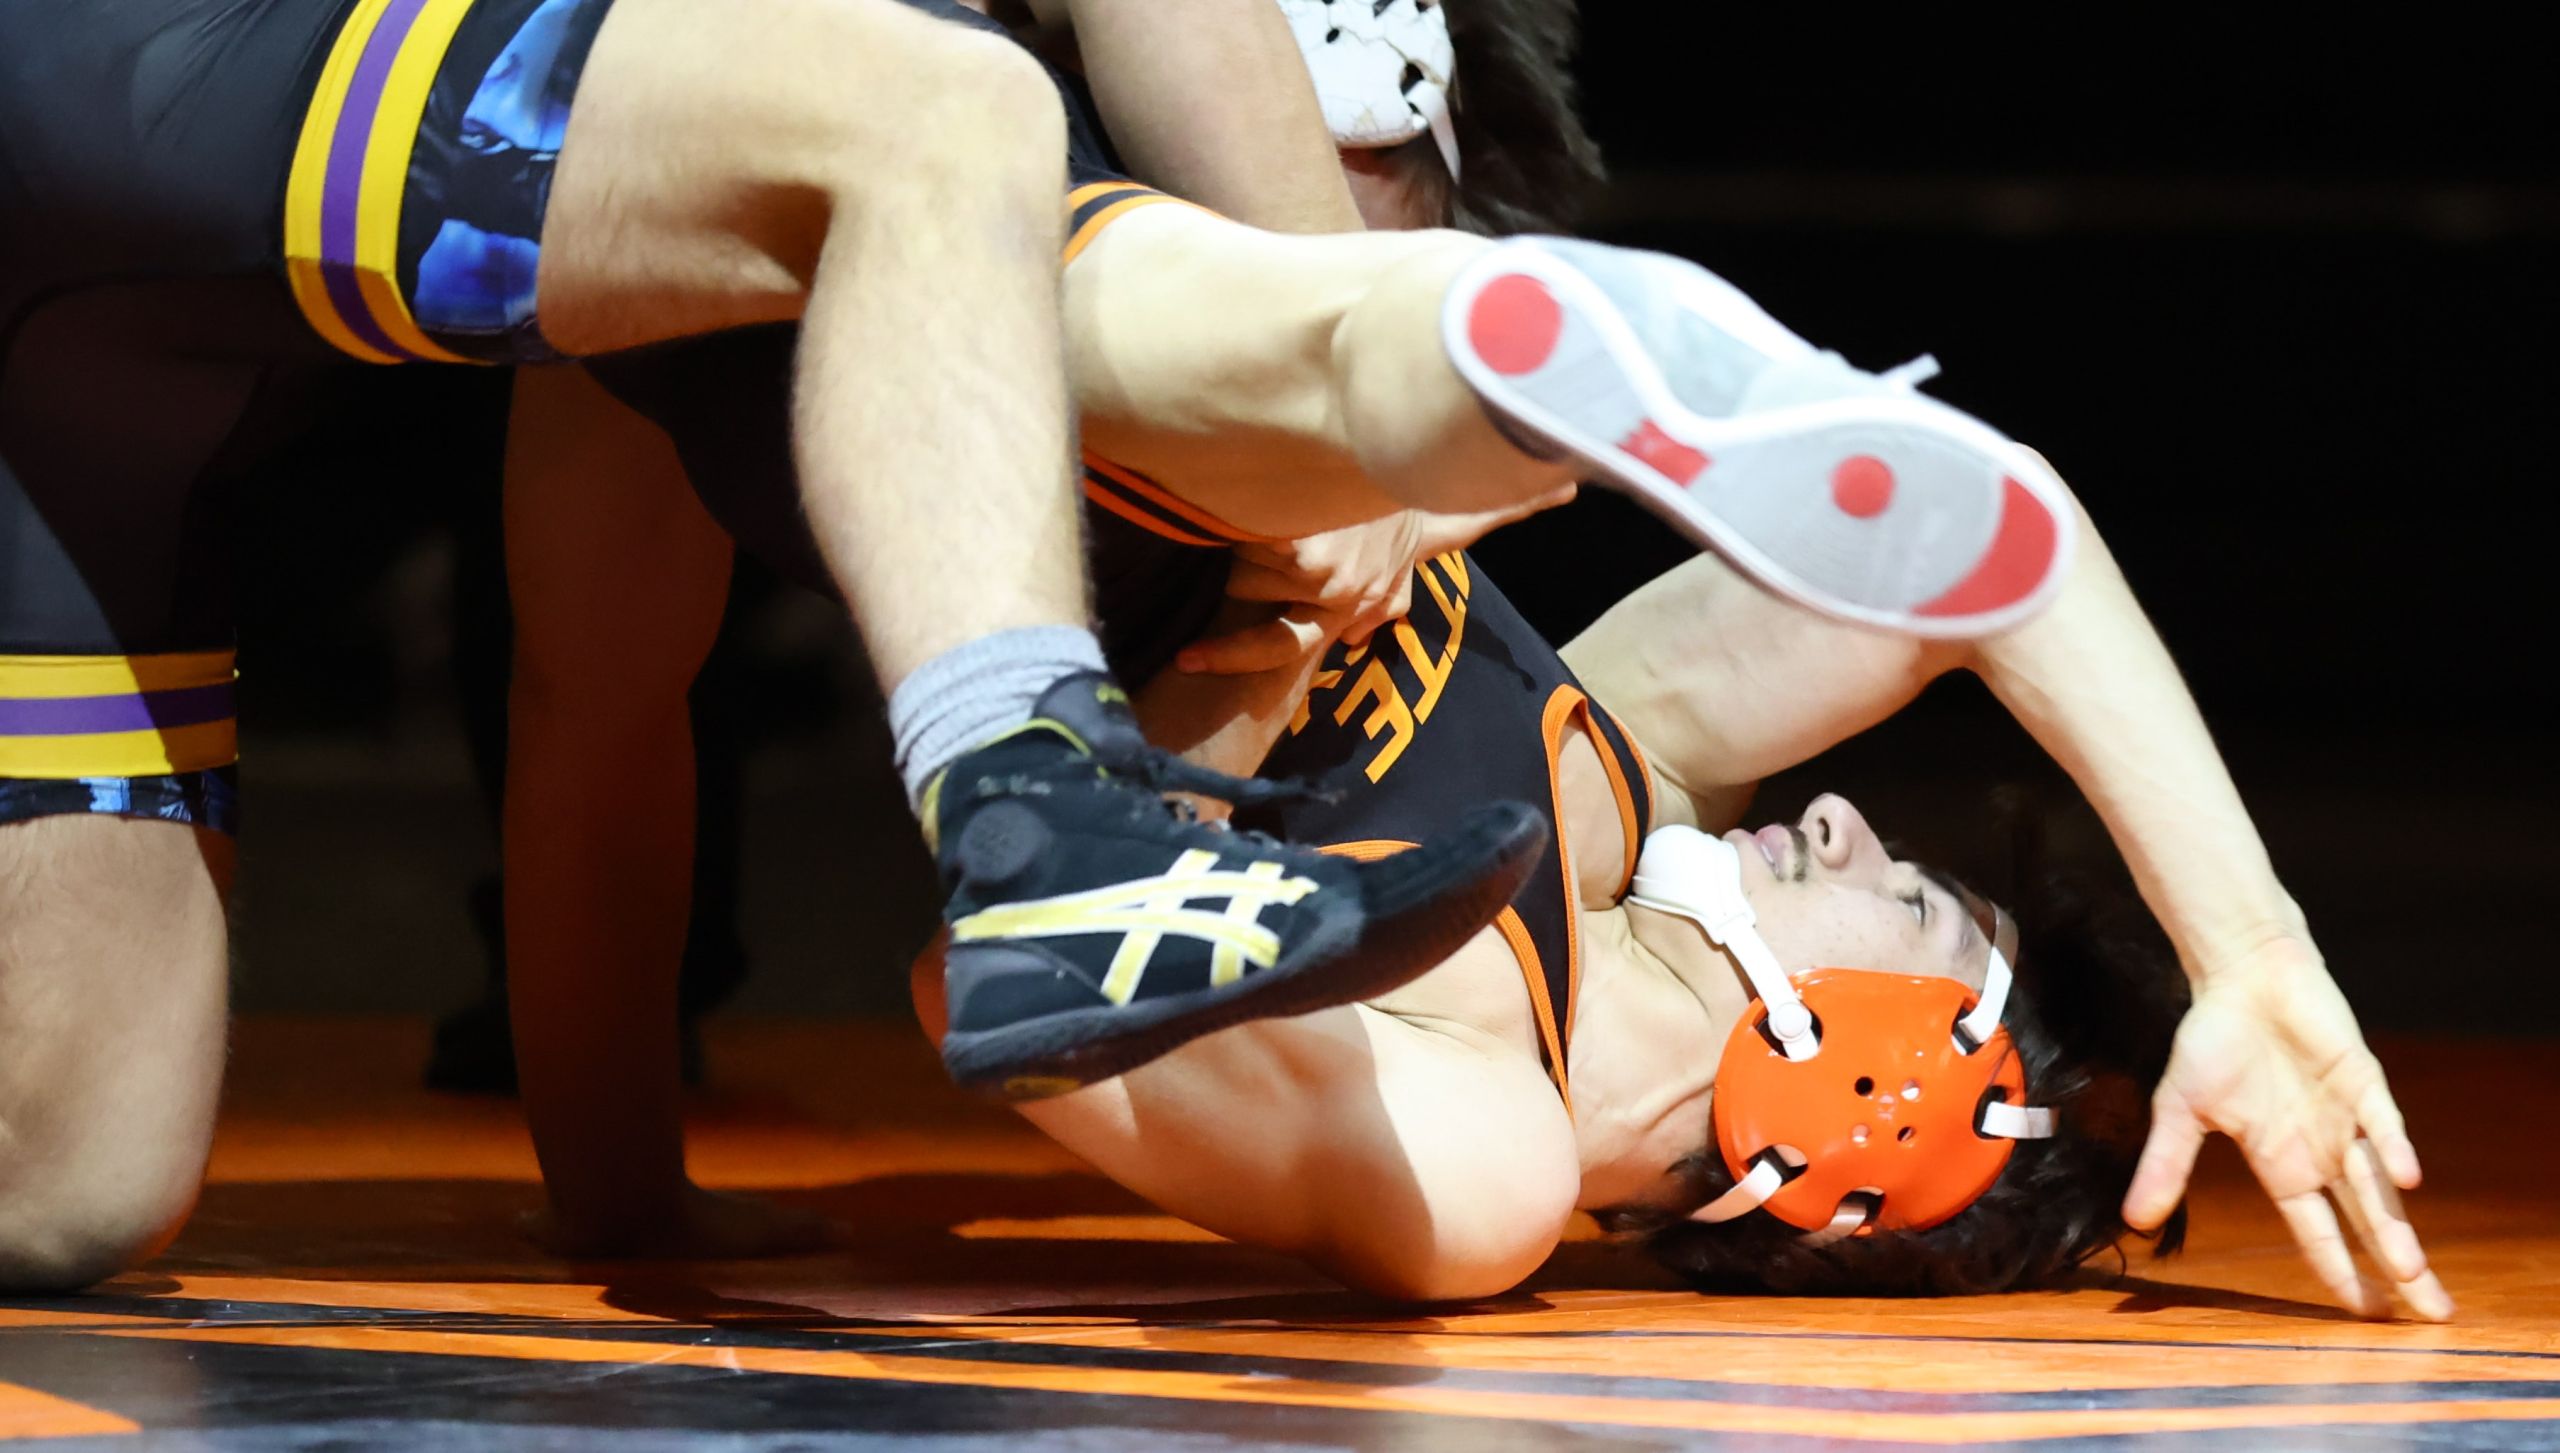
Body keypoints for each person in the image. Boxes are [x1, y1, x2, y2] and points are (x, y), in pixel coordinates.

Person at [495, 0, 2444, 1322]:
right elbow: (1958, 547)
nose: (1851, 819)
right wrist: (2246, 943)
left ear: (1879, 1117)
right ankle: (1394, 348)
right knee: (619, 652)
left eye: (1912, 899)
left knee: (606, 648)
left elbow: (1005, 982)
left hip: (930, 345)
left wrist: (1274, 628)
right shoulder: (1631, 780)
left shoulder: (1479, 1158)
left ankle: (1389, 355)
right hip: (1048, 228)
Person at [0, 0, 1564, 1293]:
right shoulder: (915, 115)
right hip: (163, 67)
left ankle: (1076, 805)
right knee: (956, 120)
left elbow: (594, 713)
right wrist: (1356, 406)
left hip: (106, 355)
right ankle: (1043, 824)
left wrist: (623, 1197)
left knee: (72, 1186)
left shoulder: (658, 250)